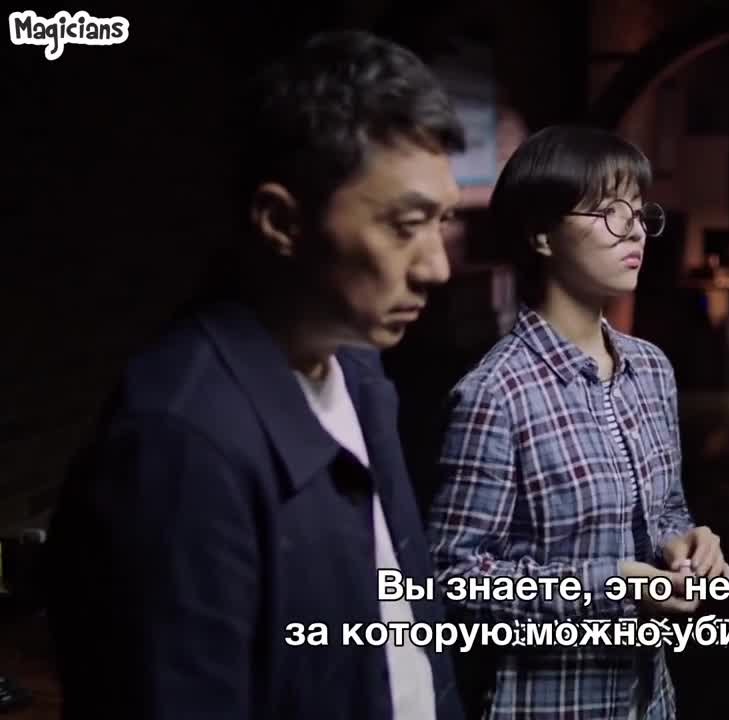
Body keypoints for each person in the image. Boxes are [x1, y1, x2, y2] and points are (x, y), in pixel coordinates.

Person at [43, 30, 467, 720]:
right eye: (404, 225)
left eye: (441, 222)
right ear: (280, 221)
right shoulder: (181, 443)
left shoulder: (358, 369)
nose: (436, 267)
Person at [427, 125, 729, 720]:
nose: (635, 230)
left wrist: (686, 543)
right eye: (610, 212)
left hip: (651, 699)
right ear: (541, 234)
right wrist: (612, 585)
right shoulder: (496, 393)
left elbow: (666, 508)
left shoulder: (651, 368)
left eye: (639, 213)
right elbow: (452, 579)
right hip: (549, 704)